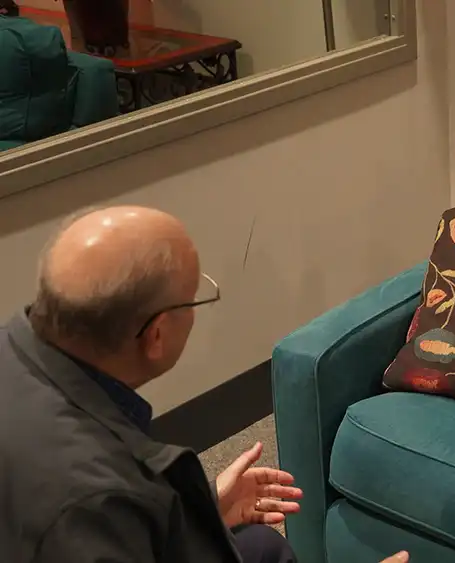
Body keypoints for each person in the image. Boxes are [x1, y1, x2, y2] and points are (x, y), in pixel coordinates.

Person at [0, 206, 410, 563]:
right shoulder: (98, 500)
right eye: (195, 297)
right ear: (156, 336)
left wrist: (202, 509)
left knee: (260, 547)